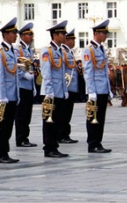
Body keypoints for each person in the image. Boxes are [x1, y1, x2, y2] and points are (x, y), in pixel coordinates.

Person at [40, 20, 70, 158]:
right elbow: (46, 73)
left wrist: (64, 91)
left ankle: (54, 146)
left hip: (59, 91)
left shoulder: (60, 50)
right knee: (49, 121)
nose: (65, 36)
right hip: (51, 93)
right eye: (62, 33)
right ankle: (49, 148)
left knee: (57, 121)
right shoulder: (47, 51)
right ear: (55, 35)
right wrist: (49, 91)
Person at [0, 18, 20, 164]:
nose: (16, 35)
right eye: (14, 32)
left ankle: (5, 152)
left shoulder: (12, 51)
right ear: (6, 34)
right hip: (2, 96)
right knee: (0, 126)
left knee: (8, 126)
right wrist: (1, 96)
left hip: (12, 95)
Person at [82, 20, 113, 153]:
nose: (106, 35)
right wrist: (91, 91)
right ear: (96, 33)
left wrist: (109, 90)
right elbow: (88, 71)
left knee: (100, 118)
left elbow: (104, 72)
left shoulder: (101, 49)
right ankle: (93, 143)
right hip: (95, 90)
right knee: (93, 118)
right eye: (104, 33)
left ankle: (98, 142)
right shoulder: (89, 50)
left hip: (103, 89)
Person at [14, 22, 37, 147]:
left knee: (27, 114)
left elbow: (30, 68)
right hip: (21, 85)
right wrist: (24, 75)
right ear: (22, 36)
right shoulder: (18, 50)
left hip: (28, 85)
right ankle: (20, 138)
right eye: (29, 34)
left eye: (31, 34)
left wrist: (33, 86)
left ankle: (25, 137)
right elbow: (16, 67)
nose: (31, 37)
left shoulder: (29, 50)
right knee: (21, 114)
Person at [59, 29, 80, 144]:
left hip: (71, 87)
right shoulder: (63, 52)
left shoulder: (70, 52)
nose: (74, 42)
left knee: (68, 112)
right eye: (72, 39)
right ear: (66, 40)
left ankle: (65, 134)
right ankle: (62, 135)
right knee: (64, 113)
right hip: (66, 86)